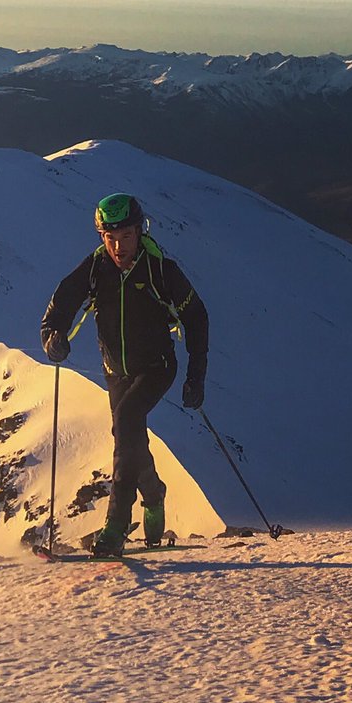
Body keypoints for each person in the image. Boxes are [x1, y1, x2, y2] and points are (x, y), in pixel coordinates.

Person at [41, 193, 209, 557]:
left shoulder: (160, 269)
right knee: (129, 433)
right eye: (110, 237)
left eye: (126, 237)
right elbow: (61, 303)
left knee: (127, 421)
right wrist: (51, 338)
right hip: (115, 371)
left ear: (139, 230)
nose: (118, 246)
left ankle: (116, 526)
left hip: (158, 368)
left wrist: (196, 377)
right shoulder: (95, 268)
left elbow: (196, 317)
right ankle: (154, 493)